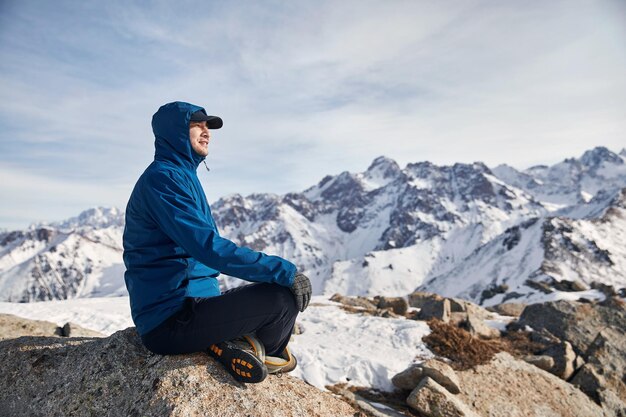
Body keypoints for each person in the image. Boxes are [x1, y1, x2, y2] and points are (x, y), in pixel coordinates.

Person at [122, 101, 312, 383]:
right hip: (170, 319)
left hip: (193, 304)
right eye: (196, 124)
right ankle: (253, 347)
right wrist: (283, 270)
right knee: (281, 299)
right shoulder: (163, 179)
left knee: (277, 296)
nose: (206, 131)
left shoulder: (182, 176)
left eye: (208, 125)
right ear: (172, 131)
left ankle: (237, 343)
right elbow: (209, 248)